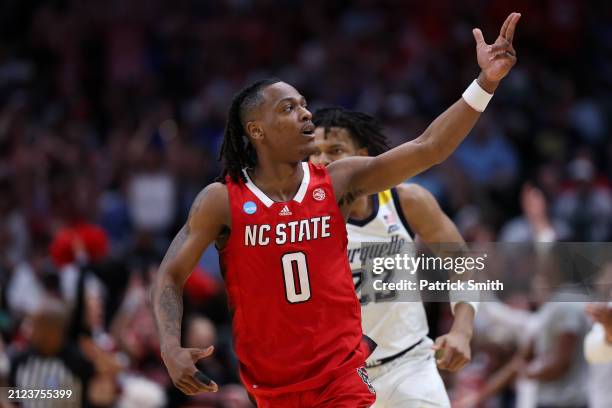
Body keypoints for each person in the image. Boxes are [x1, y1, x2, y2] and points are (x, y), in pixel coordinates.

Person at [151, 12, 520, 408]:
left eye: (304, 105)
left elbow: (428, 147)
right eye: (288, 108)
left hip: (351, 374)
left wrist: (486, 83)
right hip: (271, 385)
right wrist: (169, 346)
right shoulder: (221, 201)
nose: (307, 114)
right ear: (256, 131)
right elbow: (170, 274)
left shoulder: (339, 184)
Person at [309, 107, 477, 407]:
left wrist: (462, 330)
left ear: (363, 155)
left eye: (335, 150)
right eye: (315, 152)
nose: (322, 161)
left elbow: (462, 263)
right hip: (339, 379)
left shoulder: (406, 200)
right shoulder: (304, 221)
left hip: (409, 365)